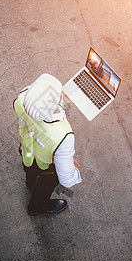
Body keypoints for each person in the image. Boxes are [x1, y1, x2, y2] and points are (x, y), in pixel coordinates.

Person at [13, 74, 82, 216]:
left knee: (29, 169)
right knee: (46, 184)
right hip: (45, 165)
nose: (61, 95)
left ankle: (30, 181)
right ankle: (37, 207)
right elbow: (67, 180)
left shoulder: (21, 99)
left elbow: (36, 101)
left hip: (27, 150)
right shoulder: (63, 137)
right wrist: (73, 168)